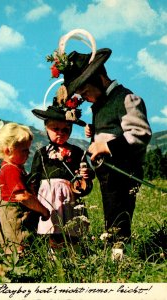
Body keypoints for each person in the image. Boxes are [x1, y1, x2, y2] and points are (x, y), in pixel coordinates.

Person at [47, 29, 152, 258]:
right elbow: (111, 129)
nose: (83, 97)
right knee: (110, 211)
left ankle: (120, 254)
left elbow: (140, 134)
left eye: (84, 91)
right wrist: (94, 132)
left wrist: (105, 146)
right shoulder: (101, 104)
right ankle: (116, 249)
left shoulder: (125, 99)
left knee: (119, 212)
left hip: (124, 171)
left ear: (100, 79)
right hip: (107, 172)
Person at [31, 85, 94, 252]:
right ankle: (55, 261)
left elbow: (86, 181)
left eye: (66, 130)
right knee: (52, 233)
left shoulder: (77, 152)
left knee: (73, 233)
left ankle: (76, 258)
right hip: (48, 200)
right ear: (46, 128)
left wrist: (86, 176)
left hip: (69, 199)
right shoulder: (42, 153)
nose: (60, 133)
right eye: (55, 129)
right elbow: (34, 179)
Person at [0, 121, 50, 255]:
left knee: (18, 243)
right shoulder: (10, 169)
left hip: (13, 211)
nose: (28, 153)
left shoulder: (14, 167)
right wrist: (43, 210)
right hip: (15, 213)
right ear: (8, 150)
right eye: (24, 150)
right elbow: (23, 196)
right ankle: (18, 270)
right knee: (18, 244)